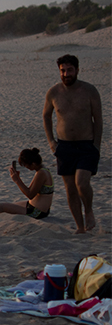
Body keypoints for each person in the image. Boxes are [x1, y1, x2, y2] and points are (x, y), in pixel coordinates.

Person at [43, 54, 103, 233]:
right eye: (63, 70)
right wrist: (51, 142)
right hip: (64, 146)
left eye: (69, 70)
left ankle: (89, 211)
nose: (66, 74)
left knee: (82, 183)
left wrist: (97, 146)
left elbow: (98, 120)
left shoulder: (89, 91)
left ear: (77, 70)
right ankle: (80, 227)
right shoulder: (53, 92)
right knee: (70, 189)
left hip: (87, 145)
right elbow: (46, 116)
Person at [0, 148, 55, 220]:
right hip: (31, 206)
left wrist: (17, 180)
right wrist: (17, 178)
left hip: (37, 212)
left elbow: (30, 195)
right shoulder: (42, 170)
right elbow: (30, 190)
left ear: (33, 163)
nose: (27, 167)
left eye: (26, 165)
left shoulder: (42, 173)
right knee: (8, 206)